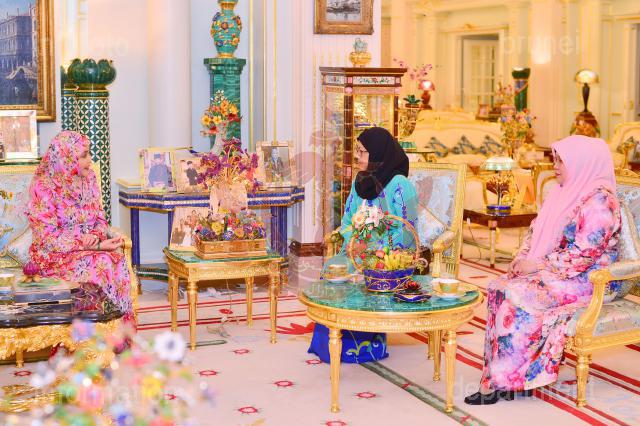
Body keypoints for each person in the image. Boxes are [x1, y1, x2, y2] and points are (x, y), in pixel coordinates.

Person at [465, 135, 621, 405]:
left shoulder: (600, 201)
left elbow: (583, 254)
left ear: (582, 162)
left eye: (561, 161)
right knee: (499, 286)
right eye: (555, 160)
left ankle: (502, 380)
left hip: (589, 279)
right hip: (556, 270)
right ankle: (512, 376)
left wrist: (536, 265)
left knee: (518, 293)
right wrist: (521, 258)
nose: (555, 166)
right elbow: (534, 232)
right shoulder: (562, 192)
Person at [308, 127, 419, 363]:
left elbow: (406, 229)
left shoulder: (400, 185)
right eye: (357, 151)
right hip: (355, 249)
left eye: (362, 152)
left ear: (378, 154)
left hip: (389, 255)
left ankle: (362, 347)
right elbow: (347, 221)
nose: (357, 156)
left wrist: (371, 247)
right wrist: (354, 241)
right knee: (334, 267)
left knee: (357, 270)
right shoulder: (361, 181)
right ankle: (329, 344)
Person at [27, 131, 133, 320]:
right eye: (84, 155)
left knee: (117, 259)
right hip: (53, 256)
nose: (90, 160)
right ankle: (88, 330)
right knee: (102, 263)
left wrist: (96, 236)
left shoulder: (89, 178)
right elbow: (47, 238)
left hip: (88, 249)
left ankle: (118, 330)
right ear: (66, 157)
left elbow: (100, 219)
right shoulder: (43, 186)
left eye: (89, 153)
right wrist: (92, 245)